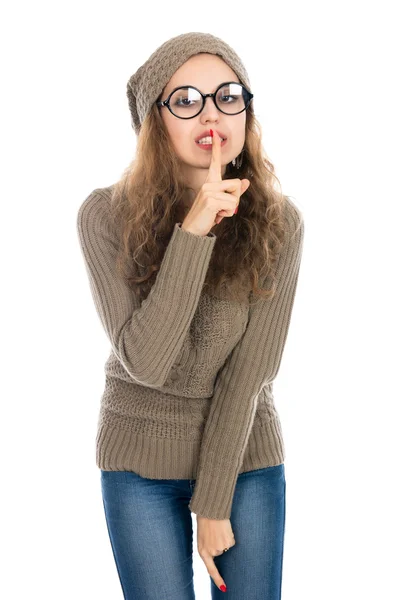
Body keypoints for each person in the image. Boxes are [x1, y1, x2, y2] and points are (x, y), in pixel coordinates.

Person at [76, 31, 304, 600]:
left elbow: (252, 371)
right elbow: (146, 362)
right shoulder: (104, 215)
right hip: (139, 466)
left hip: (244, 458)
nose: (212, 114)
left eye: (229, 96)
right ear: (155, 121)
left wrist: (214, 501)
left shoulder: (281, 221)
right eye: (186, 100)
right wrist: (194, 231)